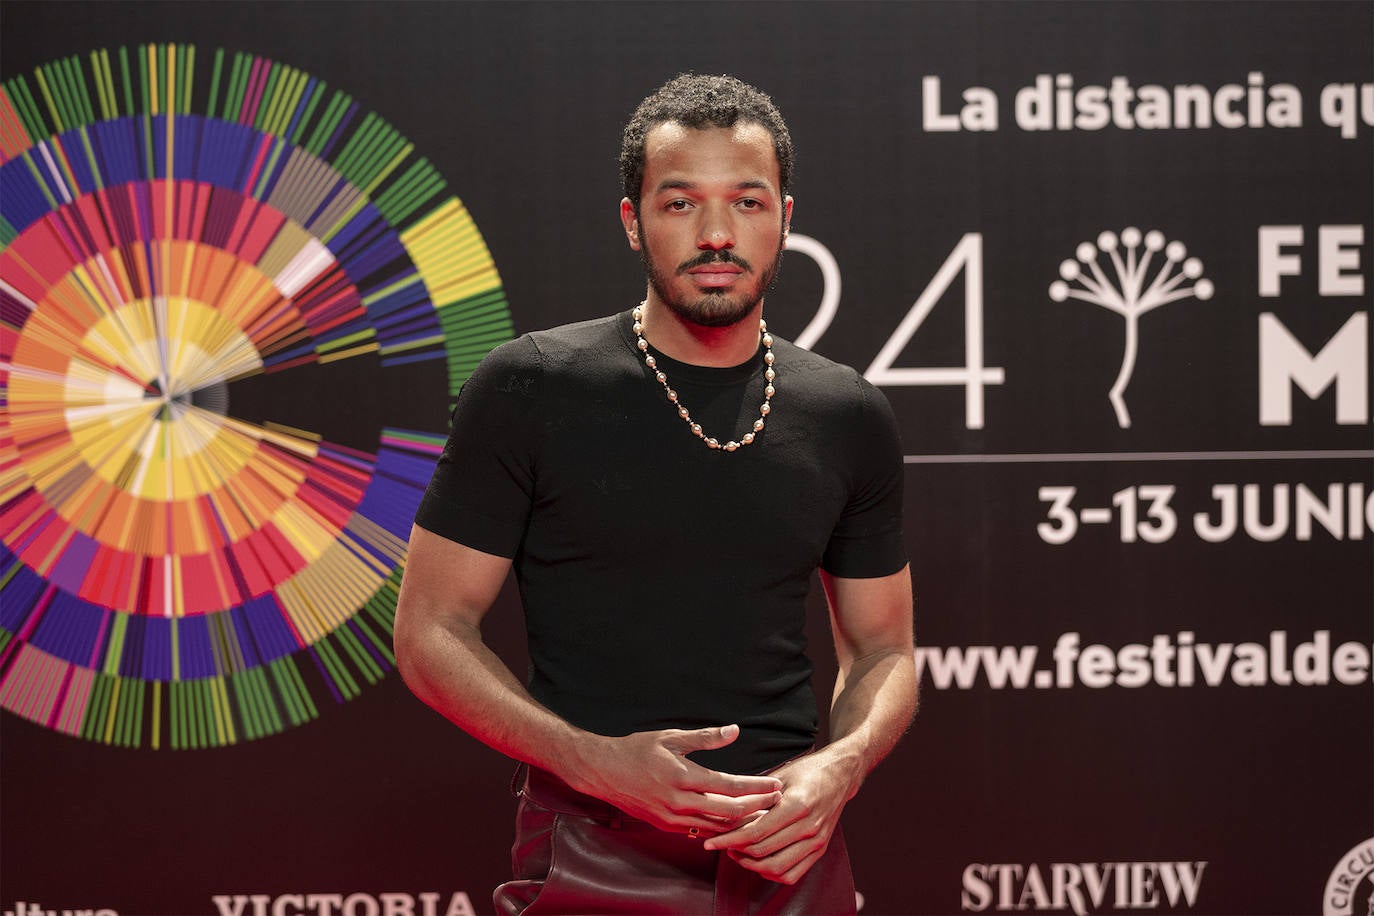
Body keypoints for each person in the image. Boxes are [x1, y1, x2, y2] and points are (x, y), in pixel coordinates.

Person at [394, 73, 916, 915]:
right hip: (588, 843)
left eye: (748, 202)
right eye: (681, 205)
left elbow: (884, 650)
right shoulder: (533, 385)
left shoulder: (846, 412)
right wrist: (590, 760)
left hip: (786, 847)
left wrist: (838, 767)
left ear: (787, 214)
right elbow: (429, 634)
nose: (717, 234)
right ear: (634, 221)